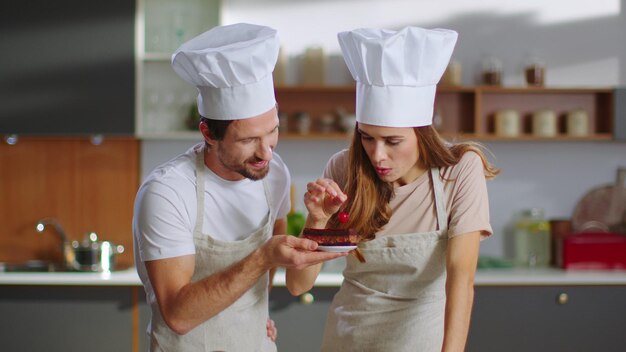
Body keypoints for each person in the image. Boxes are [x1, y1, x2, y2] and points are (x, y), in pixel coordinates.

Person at [133, 23, 346, 351]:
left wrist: (318, 223)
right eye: (248, 139)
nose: (266, 152)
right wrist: (262, 258)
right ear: (208, 133)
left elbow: (290, 284)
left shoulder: (275, 175)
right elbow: (177, 314)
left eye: (272, 131)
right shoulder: (168, 193)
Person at [286, 27, 499, 351]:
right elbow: (298, 285)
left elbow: (460, 278)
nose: (377, 155)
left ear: (422, 134)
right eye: (367, 138)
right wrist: (316, 221)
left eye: (393, 141)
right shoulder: (344, 169)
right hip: (348, 339)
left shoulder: (458, 171)